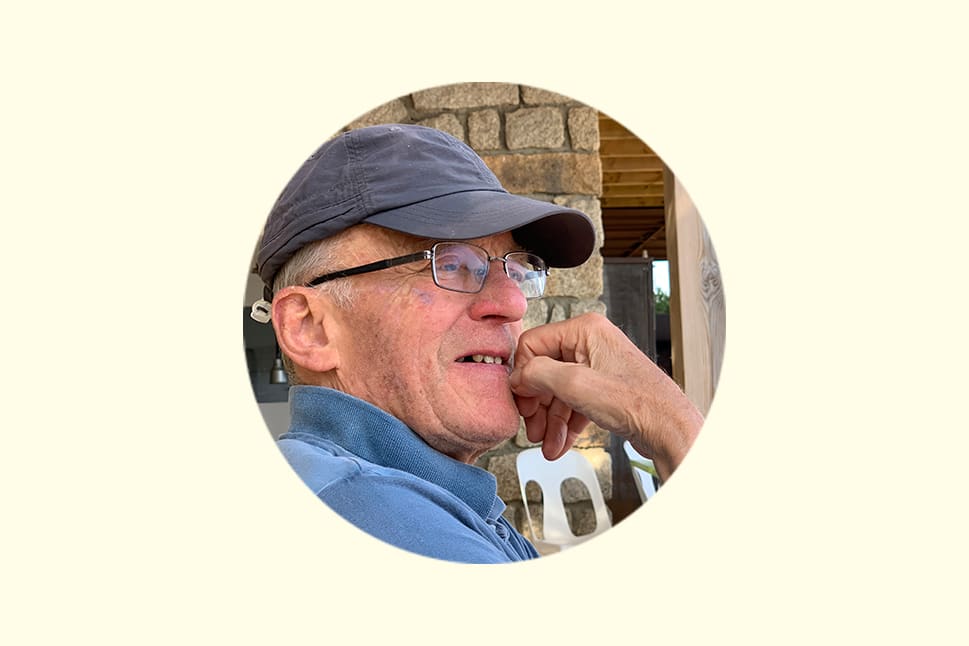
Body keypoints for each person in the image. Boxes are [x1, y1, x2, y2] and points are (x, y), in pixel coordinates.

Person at [250, 124, 703, 563]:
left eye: (517, 270)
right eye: (449, 264)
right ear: (309, 328)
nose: (512, 303)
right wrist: (675, 430)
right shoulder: (382, 517)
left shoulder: (418, 499)